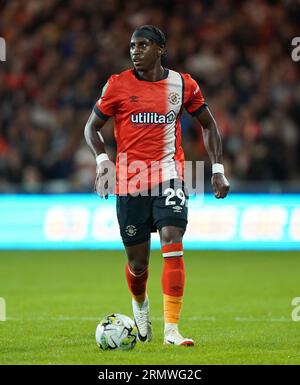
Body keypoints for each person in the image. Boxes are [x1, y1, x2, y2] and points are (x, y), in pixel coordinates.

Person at [84, 25, 230, 346]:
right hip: (130, 180)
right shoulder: (117, 85)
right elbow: (91, 128)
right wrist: (102, 162)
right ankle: (140, 308)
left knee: (171, 238)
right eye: (132, 46)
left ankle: (172, 331)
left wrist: (217, 168)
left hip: (170, 175)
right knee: (138, 264)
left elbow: (208, 124)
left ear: (160, 49)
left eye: (143, 45)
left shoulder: (183, 84)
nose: (135, 51)